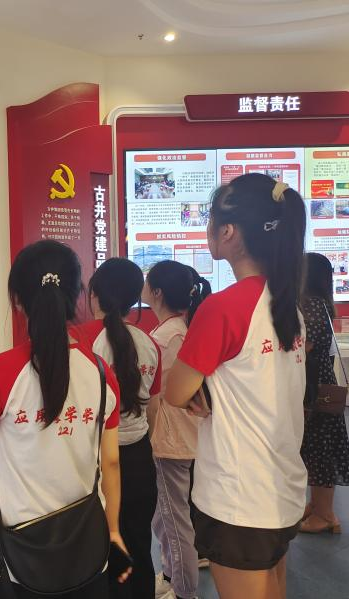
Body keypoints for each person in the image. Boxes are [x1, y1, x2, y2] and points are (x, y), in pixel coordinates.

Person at [0, 240, 129, 599]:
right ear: (76, 296)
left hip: (18, 556)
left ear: (17, 300)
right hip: (88, 546)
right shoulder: (100, 372)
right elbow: (110, 461)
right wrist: (113, 532)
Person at [165, 174, 308, 599]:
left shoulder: (223, 307)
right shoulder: (286, 305)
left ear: (228, 232)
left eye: (210, 220)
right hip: (280, 486)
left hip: (238, 497)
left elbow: (175, 392)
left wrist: (202, 389)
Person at [80, 257, 161, 599]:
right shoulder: (149, 342)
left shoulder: (80, 339)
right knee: (139, 545)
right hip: (140, 458)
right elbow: (153, 409)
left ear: (94, 294)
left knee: (99, 551)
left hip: (94, 460)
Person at [142, 261, 211, 599]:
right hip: (177, 435)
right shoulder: (177, 330)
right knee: (166, 517)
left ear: (157, 292)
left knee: (173, 519)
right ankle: (171, 576)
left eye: (147, 281)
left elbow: (155, 392)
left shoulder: (166, 337)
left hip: (168, 439)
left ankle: (185, 591)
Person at [300, 252, 349, 534]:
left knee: (318, 449)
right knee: (317, 448)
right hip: (320, 381)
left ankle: (326, 514)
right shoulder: (322, 304)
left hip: (314, 386)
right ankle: (317, 506)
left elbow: (307, 345)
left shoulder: (310, 305)